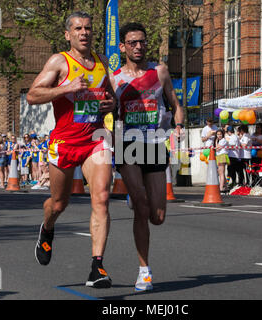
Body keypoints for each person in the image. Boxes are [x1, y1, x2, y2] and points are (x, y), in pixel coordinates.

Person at [26, 11, 116, 288]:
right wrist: (64, 88)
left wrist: (111, 105)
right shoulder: (59, 61)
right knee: (58, 203)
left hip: (96, 139)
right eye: (78, 28)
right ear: (68, 34)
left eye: (88, 28)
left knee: (101, 197)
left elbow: (112, 96)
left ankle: (97, 267)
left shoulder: (102, 62)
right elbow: (32, 95)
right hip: (65, 142)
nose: (84, 32)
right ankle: (47, 228)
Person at [111, 22, 184, 291]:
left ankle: (135, 195)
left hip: (154, 143)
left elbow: (176, 104)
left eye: (142, 41)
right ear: (123, 47)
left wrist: (177, 126)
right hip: (127, 144)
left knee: (158, 217)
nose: (138, 46)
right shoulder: (114, 79)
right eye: (132, 42)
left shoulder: (160, 71)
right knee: (142, 209)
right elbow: (106, 110)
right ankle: (144, 271)